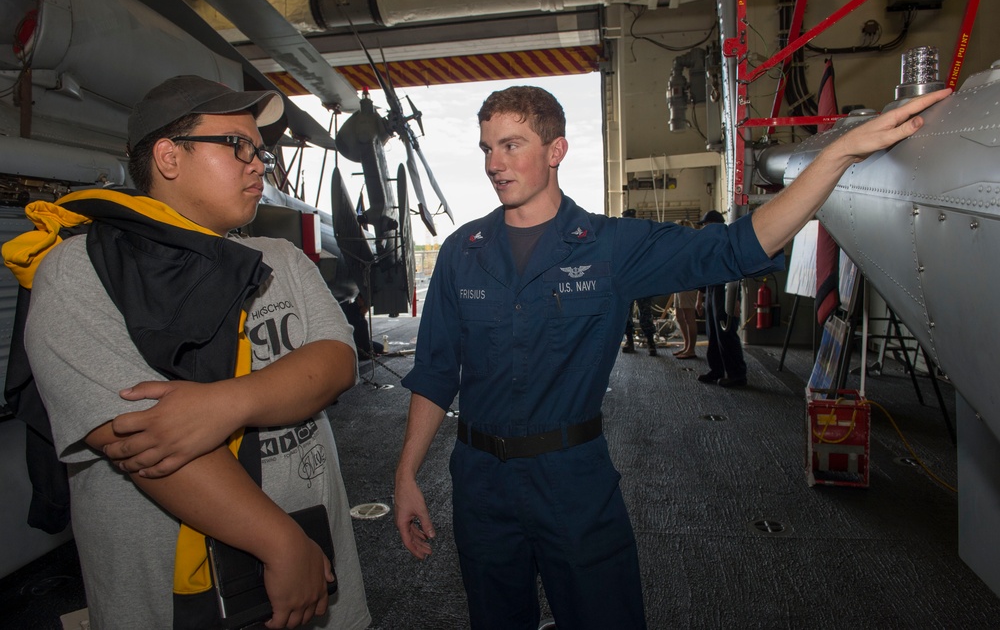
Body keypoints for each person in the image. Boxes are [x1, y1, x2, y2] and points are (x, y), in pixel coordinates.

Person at [392, 84, 951, 629]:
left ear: (555, 150)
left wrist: (836, 156)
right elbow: (437, 372)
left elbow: (740, 246)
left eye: (511, 145)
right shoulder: (462, 255)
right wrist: (407, 473)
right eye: (487, 148)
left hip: (572, 481)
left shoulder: (610, 247)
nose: (495, 162)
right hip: (480, 483)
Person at [6, 75, 371, 629]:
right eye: (239, 146)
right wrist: (281, 544)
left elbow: (335, 362)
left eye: (262, 151)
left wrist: (226, 404)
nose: (259, 165)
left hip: (320, 579)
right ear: (169, 157)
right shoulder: (79, 271)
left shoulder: (280, 258)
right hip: (180, 602)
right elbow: (137, 439)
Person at [695, 210, 749, 387]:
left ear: (715, 224)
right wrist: (701, 296)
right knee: (713, 333)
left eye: (706, 224)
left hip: (727, 290)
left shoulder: (729, 242)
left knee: (726, 334)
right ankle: (716, 369)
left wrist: (736, 300)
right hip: (712, 290)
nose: (703, 228)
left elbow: (738, 270)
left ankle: (737, 375)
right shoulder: (710, 244)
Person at [621, 208, 658, 356]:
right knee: (633, 314)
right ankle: (643, 343)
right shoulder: (640, 236)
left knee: (640, 313)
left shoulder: (637, 238)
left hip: (636, 281)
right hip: (636, 281)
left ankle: (645, 342)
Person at [672, 219, 700, 359]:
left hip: (688, 283)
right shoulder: (679, 245)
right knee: (679, 316)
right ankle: (686, 345)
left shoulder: (691, 246)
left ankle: (691, 349)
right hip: (679, 283)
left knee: (689, 317)